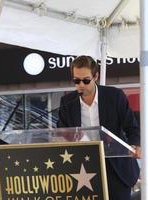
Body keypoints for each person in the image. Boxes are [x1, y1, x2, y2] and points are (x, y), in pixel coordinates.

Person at [57, 55, 141, 200]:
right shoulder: (67, 102)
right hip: (82, 168)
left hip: (116, 169)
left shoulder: (114, 96)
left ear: (95, 76)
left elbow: (132, 127)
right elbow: (62, 134)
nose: (81, 85)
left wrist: (135, 145)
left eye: (86, 80)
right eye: (76, 81)